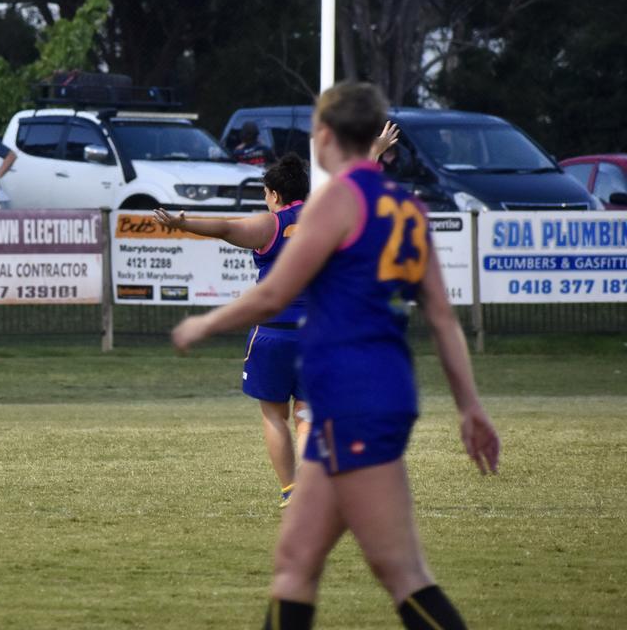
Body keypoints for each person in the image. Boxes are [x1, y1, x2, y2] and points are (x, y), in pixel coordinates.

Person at [171, 82, 500, 629]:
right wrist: (470, 407)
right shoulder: (408, 208)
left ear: (324, 135)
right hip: (373, 398)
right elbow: (442, 318)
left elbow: (276, 293)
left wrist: (203, 324)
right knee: (295, 564)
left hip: (353, 402)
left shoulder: (335, 203)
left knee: (402, 573)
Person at [153, 154, 311, 509]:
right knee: (307, 415)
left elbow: (225, 228)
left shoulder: (269, 225)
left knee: (273, 415)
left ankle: (291, 490)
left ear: (272, 193)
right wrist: (374, 153)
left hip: (273, 332)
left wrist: (182, 223)